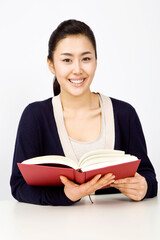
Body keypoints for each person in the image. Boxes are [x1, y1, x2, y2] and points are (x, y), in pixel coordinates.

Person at [10, 19, 158, 206]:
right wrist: (66, 195)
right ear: (51, 65)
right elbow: (18, 186)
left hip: (118, 228)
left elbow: (148, 177)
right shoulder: (35, 116)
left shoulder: (124, 114)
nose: (78, 69)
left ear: (96, 61)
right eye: (67, 60)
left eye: (86, 58)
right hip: (55, 229)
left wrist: (144, 187)